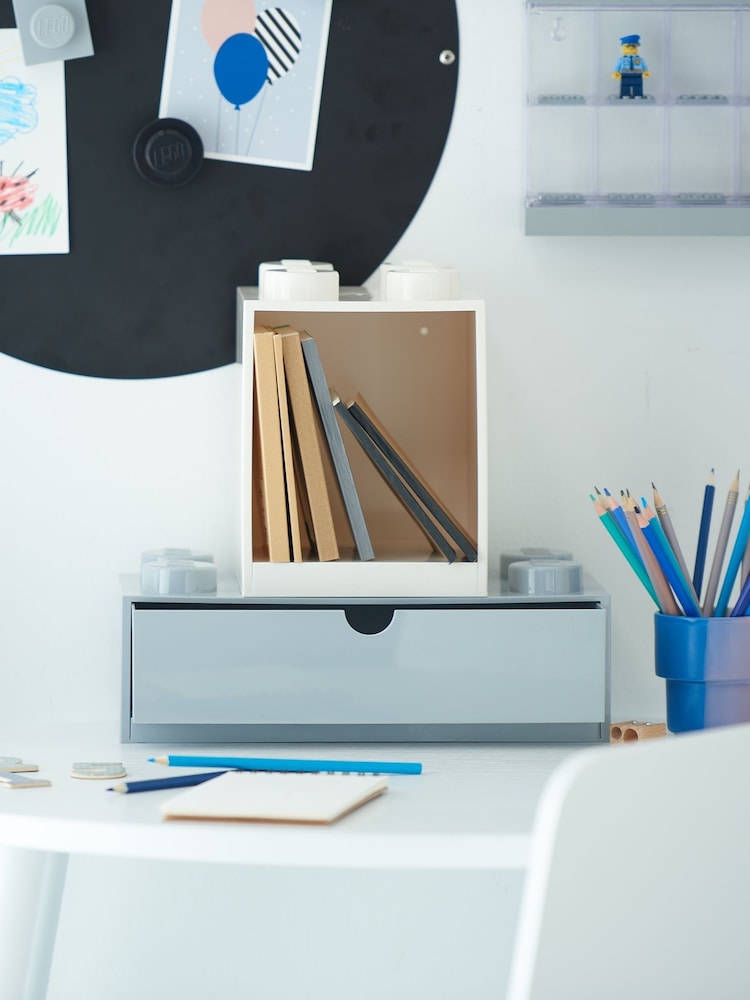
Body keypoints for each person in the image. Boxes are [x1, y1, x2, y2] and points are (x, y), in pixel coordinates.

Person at [612, 34, 650, 99]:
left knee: (638, 85)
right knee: (625, 86)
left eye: (633, 46)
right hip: (625, 74)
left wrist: (646, 72)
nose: (631, 47)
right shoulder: (622, 59)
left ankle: (637, 95)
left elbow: (644, 67)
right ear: (623, 47)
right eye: (628, 46)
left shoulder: (639, 59)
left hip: (638, 74)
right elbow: (617, 67)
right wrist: (616, 72)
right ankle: (625, 95)